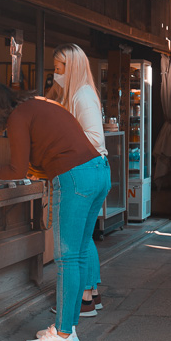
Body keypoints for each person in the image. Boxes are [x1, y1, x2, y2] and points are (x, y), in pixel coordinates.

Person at [0, 82, 109, 341]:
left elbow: (17, 169)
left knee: (67, 259)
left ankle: (62, 336)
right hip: (99, 170)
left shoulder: (18, 118)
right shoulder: (36, 105)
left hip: (75, 178)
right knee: (76, 255)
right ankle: (68, 330)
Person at [52, 43, 107, 315]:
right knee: (84, 242)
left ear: (71, 68)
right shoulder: (79, 93)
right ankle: (87, 299)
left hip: (81, 172)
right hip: (93, 172)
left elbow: (96, 139)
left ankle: (72, 315)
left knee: (70, 253)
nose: (55, 74)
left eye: (58, 69)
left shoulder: (82, 96)